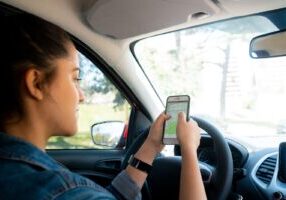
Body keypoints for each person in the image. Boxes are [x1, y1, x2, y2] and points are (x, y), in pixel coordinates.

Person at [0, 14, 207, 200]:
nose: (81, 96)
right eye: (75, 78)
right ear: (36, 83)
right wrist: (189, 150)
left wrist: (152, 146)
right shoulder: (61, 191)